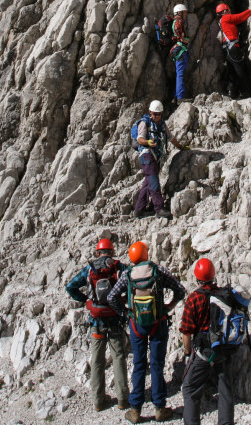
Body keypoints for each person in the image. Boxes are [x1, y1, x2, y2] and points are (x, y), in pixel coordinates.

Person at [107, 241, 186, 424]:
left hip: (137, 325)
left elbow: (112, 297)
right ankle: (159, 407)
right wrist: (168, 307)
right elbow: (180, 290)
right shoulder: (158, 270)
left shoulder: (127, 273)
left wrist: (126, 312)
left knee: (139, 364)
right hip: (159, 322)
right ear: (146, 254)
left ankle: (135, 409)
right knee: (157, 364)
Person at [65, 238, 129, 412]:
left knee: (97, 360)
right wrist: (124, 302)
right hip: (115, 319)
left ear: (97, 252)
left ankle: (98, 402)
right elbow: (132, 283)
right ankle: (123, 399)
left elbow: (70, 287)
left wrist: (86, 300)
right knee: (118, 357)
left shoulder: (89, 269)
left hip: (97, 321)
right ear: (112, 252)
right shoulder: (119, 267)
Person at [180, 258, 237, 425]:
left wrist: (187, 353)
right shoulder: (224, 295)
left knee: (190, 389)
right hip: (224, 349)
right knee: (225, 390)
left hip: (203, 352)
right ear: (213, 275)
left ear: (197, 277)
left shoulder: (194, 298)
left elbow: (187, 331)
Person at [134, 100, 187, 219]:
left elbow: (170, 137)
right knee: (154, 182)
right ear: (150, 112)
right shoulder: (144, 123)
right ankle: (159, 208)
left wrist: (181, 147)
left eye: (159, 114)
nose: (157, 116)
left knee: (147, 183)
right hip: (147, 155)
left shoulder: (162, 124)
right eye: (154, 114)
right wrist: (148, 142)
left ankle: (139, 210)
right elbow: (140, 139)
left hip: (156, 157)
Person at [216, 3, 251, 98]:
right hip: (233, 48)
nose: (230, 12)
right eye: (228, 10)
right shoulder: (226, 18)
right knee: (239, 70)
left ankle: (233, 93)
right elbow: (240, 17)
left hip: (228, 49)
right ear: (225, 11)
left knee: (233, 71)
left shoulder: (222, 21)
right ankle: (246, 92)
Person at [171, 3, 191, 103]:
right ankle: (180, 97)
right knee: (181, 73)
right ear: (179, 12)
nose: (186, 14)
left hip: (177, 49)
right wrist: (188, 40)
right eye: (185, 12)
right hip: (180, 49)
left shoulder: (176, 21)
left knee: (179, 73)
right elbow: (181, 38)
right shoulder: (178, 22)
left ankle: (175, 96)